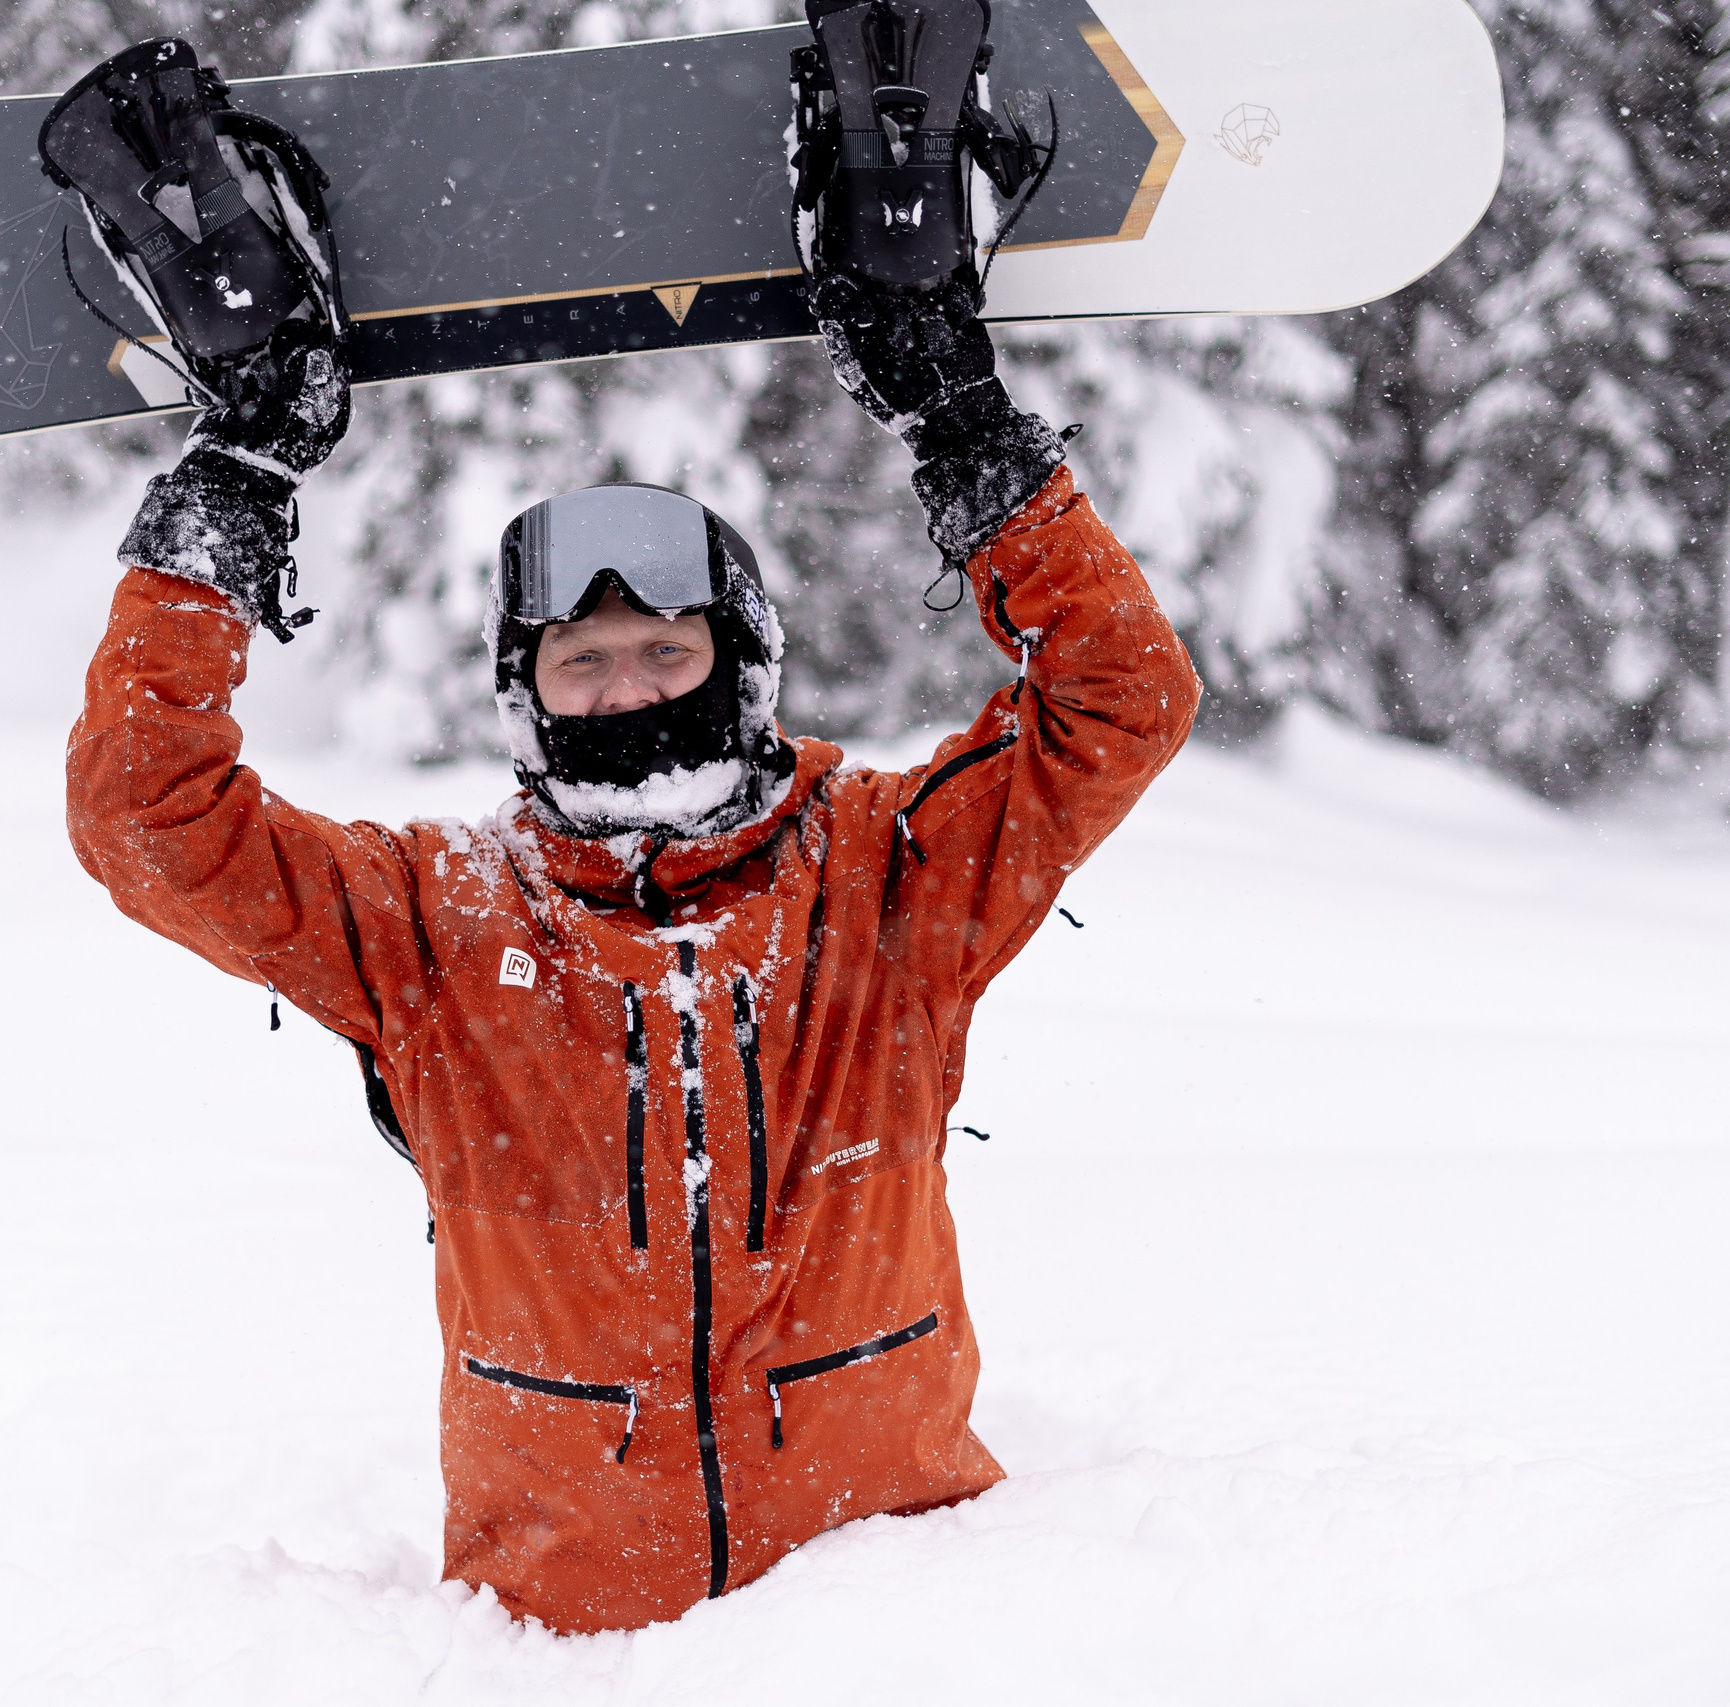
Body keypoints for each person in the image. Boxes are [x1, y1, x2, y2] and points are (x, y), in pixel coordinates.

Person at [66, 262, 1201, 1632]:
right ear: (525, 698)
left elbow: (1122, 693)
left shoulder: (887, 876)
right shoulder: (431, 924)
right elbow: (146, 814)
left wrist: (962, 422)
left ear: (740, 663)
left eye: (665, 651)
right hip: (564, 1647)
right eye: (581, 662)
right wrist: (235, 482)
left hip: (891, 1629)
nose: (627, 691)